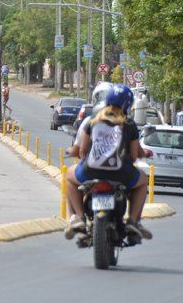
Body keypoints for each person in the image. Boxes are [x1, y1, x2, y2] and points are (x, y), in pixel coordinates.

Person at [64, 84, 152, 241]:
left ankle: (77, 217)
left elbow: (83, 151)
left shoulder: (93, 120)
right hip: (121, 174)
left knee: (70, 177)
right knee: (143, 180)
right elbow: (133, 156)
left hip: (90, 171)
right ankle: (133, 221)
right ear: (129, 104)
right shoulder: (129, 124)